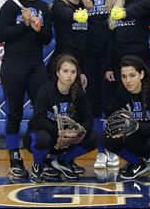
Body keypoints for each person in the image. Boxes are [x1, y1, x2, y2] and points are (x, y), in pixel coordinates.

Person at [0, 0, 52, 177]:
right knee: (14, 113)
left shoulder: (44, 7)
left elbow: (47, 39)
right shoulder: (10, 7)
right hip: (13, 65)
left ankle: (42, 158)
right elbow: (1, 35)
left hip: (36, 65)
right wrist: (24, 24)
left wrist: (37, 29)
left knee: (43, 113)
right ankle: (15, 159)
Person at [23, 54, 97, 182]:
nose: (69, 75)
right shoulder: (46, 91)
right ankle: (38, 166)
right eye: (65, 71)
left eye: (73, 72)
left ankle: (60, 161)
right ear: (58, 73)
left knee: (93, 138)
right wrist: (60, 132)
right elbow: (37, 120)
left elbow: (88, 118)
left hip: (68, 139)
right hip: (44, 136)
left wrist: (79, 131)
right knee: (42, 138)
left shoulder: (78, 92)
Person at [83, 0, 119, 169]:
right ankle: (100, 152)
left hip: (110, 56)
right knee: (94, 106)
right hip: (88, 57)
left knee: (110, 105)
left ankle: (114, 149)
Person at [105, 0, 150, 85]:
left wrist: (124, 13)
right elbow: (111, 38)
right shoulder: (116, 2)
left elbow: (137, 9)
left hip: (141, 60)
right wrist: (109, 66)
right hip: (119, 63)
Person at [46, 0, 88, 88]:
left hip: (79, 61)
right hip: (62, 60)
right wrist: (76, 16)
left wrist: (82, 70)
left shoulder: (84, 6)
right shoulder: (59, 4)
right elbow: (65, 14)